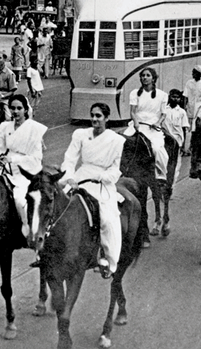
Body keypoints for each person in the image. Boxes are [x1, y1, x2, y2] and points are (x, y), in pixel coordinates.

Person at [60, 103, 125, 277]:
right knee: (55, 206)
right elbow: (70, 158)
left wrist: (103, 177)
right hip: (81, 177)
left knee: (108, 219)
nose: (95, 119)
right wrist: (70, 177)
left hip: (102, 183)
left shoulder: (117, 140)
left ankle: (110, 263)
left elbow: (116, 168)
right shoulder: (80, 135)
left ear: (107, 118)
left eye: (98, 116)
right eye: (93, 115)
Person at [0, 94, 47, 237]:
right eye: (12, 108)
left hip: (25, 171)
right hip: (5, 168)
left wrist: (14, 159)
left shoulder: (34, 129)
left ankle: (26, 227)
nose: (15, 111)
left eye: (19, 108)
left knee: (19, 199)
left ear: (25, 110)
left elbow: (36, 158)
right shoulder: (5, 126)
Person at [123, 67, 169, 184]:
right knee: (120, 143)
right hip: (137, 125)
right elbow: (133, 112)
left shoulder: (162, 95)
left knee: (157, 149)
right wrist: (136, 123)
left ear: (153, 79)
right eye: (143, 75)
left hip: (152, 128)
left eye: (148, 75)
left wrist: (157, 123)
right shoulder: (134, 93)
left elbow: (163, 114)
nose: (145, 78)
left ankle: (161, 175)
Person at [182, 65, 201, 154]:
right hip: (190, 108)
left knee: (196, 128)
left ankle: (191, 147)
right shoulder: (189, 83)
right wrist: (184, 108)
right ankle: (183, 148)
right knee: (186, 128)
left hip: (200, 108)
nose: (192, 74)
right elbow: (185, 96)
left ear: (199, 73)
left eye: (194, 72)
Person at [162, 89, 189, 186]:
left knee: (174, 164)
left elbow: (184, 129)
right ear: (169, 97)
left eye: (177, 97)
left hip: (177, 142)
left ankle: (171, 184)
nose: (175, 99)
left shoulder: (182, 112)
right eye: (173, 97)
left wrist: (183, 145)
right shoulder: (164, 110)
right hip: (165, 141)